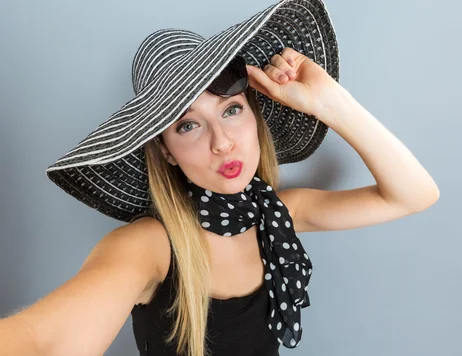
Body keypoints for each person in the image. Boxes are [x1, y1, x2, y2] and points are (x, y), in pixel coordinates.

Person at [0, 0, 439, 355]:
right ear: (166, 153)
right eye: (188, 126)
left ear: (254, 117)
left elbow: (413, 195)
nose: (222, 143)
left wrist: (331, 103)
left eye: (231, 110)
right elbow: (42, 341)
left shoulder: (278, 213)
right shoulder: (148, 246)